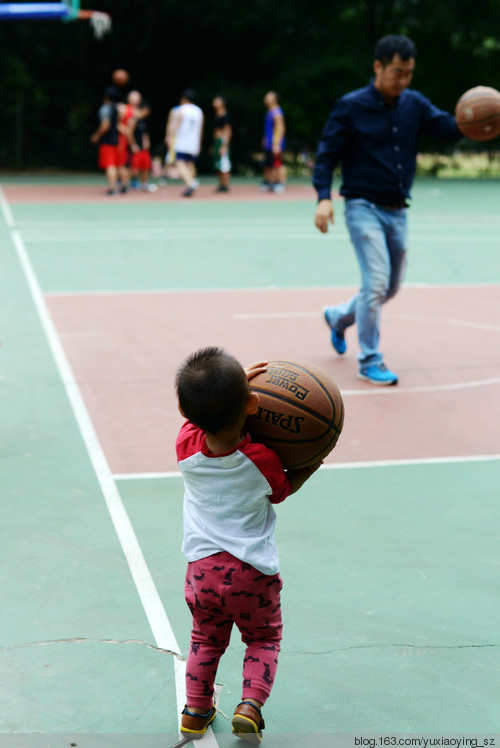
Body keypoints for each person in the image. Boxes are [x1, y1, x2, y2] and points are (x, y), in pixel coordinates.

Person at [175, 347, 321, 743]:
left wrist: (235, 386)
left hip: (201, 572)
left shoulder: (185, 447)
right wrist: (314, 460)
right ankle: (250, 705)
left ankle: (195, 711)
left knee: (205, 640)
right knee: (263, 637)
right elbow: (283, 489)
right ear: (253, 404)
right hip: (250, 573)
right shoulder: (262, 460)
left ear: (183, 412)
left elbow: (194, 418)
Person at [313, 34, 462, 385]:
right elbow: (326, 155)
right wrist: (323, 196)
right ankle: (370, 359)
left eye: (409, 73)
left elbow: (449, 129)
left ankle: (338, 317)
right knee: (377, 281)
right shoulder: (351, 106)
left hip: (398, 211)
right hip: (362, 207)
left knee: (389, 288)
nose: (404, 80)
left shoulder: (414, 104)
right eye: (398, 72)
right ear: (378, 66)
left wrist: (481, 120)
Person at [166, 89, 204, 197]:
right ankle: (191, 183)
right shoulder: (199, 111)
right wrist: (199, 142)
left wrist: (170, 137)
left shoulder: (181, 110)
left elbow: (175, 126)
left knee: (179, 162)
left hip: (182, 141)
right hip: (194, 142)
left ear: (184, 99)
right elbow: (201, 129)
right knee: (191, 163)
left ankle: (190, 183)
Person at [90, 86, 124, 195]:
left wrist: (97, 135)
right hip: (117, 139)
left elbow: (105, 125)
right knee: (117, 164)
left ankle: (112, 188)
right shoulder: (118, 109)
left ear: (106, 97)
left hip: (108, 140)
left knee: (110, 165)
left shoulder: (105, 108)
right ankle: (121, 186)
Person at [129, 96, 157, 192]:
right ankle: (126, 181)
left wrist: (146, 141)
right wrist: (133, 145)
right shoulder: (134, 119)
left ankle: (144, 184)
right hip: (136, 147)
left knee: (146, 166)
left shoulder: (143, 121)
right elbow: (130, 133)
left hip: (143, 148)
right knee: (135, 169)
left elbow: (144, 132)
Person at [261, 91, 286, 193]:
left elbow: (280, 129)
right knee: (269, 163)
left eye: (268, 96)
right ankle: (271, 182)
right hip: (269, 143)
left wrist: (277, 144)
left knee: (278, 163)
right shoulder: (270, 111)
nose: (266, 98)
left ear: (274, 99)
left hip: (275, 144)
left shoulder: (277, 112)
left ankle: (280, 183)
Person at [212, 95, 232, 192]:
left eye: (217, 101)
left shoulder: (225, 115)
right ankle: (221, 184)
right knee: (218, 164)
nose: (214, 102)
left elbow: (228, 130)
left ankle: (225, 185)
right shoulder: (217, 114)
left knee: (224, 164)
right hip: (217, 141)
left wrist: (224, 145)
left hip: (222, 141)